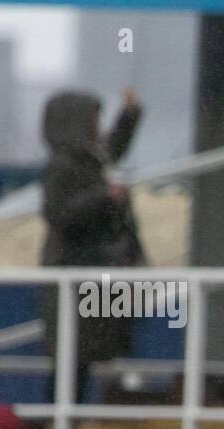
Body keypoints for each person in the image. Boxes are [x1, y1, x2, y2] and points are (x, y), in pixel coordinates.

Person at [39, 88, 144, 404]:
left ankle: (68, 420)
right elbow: (57, 212)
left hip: (90, 275)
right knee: (70, 358)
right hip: (72, 274)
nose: (98, 127)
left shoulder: (88, 160)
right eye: (94, 119)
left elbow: (113, 148)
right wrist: (105, 198)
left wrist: (129, 115)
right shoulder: (63, 167)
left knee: (81, 357)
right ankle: (59, 423)